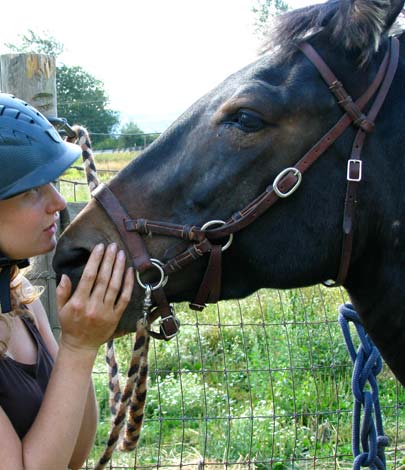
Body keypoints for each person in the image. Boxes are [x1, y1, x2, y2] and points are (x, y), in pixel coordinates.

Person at [0, 93, 134, 470]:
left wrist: (86, 343)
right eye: (31, 191)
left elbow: (73, 456)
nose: (58, 203)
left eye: (51, 184)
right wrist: (76, 347)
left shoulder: (19, 298)